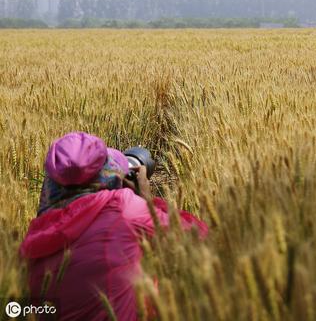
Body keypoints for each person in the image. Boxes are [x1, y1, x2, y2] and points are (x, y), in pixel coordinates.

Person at [20, 132, 208, 320]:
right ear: (106, 174)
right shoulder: (123, 208)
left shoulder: (36, 235)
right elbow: (199, 237)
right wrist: (147, 201)